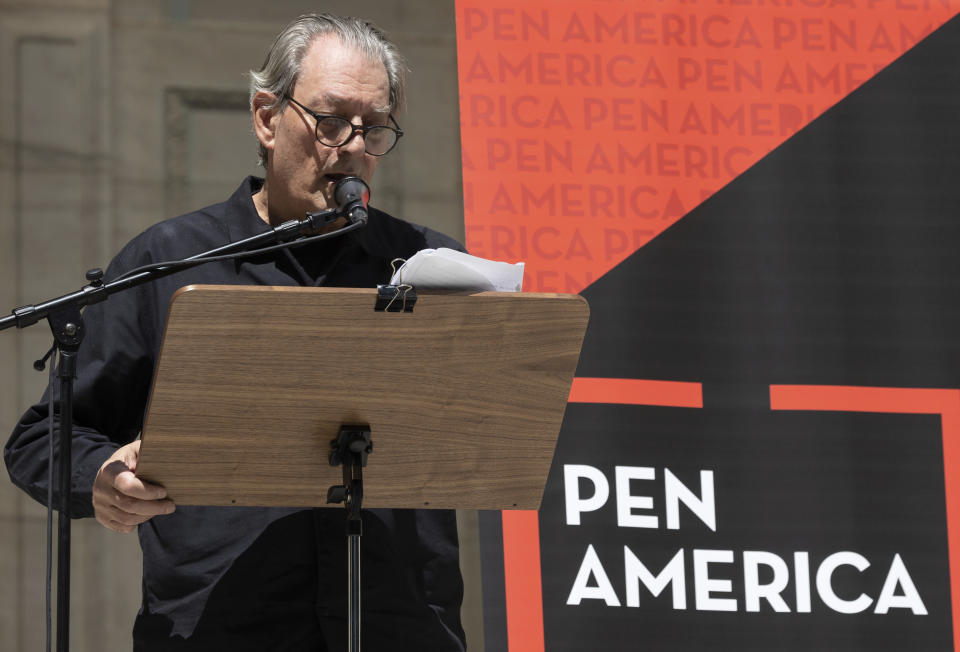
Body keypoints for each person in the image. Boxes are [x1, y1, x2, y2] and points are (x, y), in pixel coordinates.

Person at [4, 14, 466, 652]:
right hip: (220, 630)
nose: (354, 146)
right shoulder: (172, 260)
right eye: (331, 120)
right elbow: (42, 439)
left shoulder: (431, 268)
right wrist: (103, 475)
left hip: (403, 629)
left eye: (375, 127)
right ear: (267, 119)